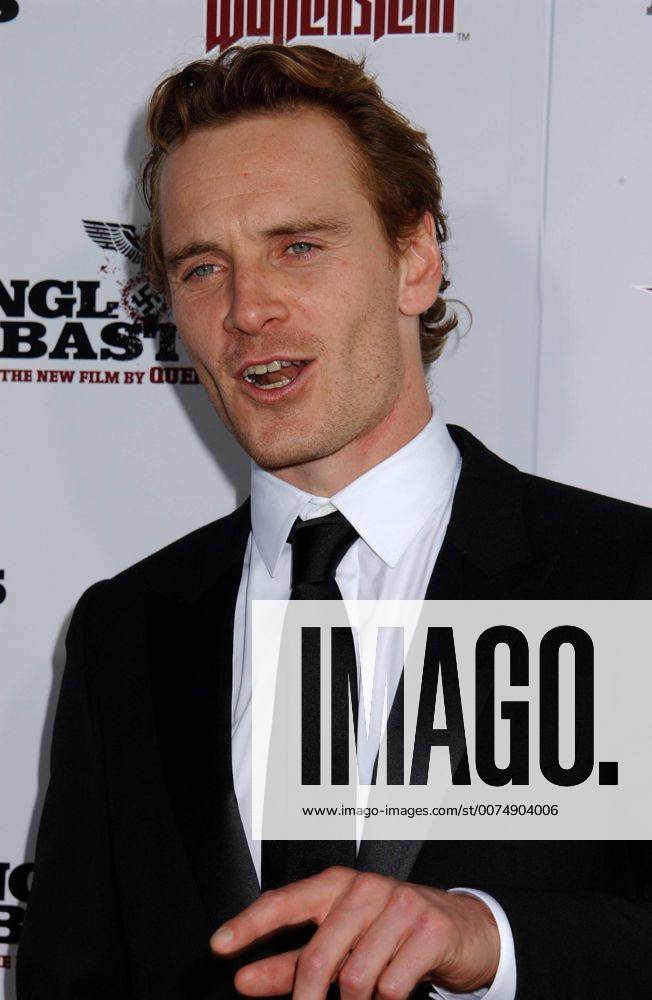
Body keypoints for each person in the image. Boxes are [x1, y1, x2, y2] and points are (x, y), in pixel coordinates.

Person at [16, 43, 652, 1000]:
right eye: (202, 267)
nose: (248, 309)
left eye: (298, 247)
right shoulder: (127, 632)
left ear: (415, 261)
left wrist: (487, 938)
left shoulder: (623, 581)